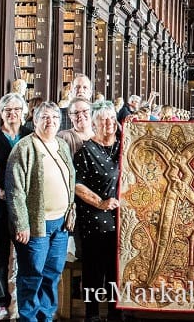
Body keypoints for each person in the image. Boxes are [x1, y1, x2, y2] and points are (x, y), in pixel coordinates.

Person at [6, 101, 75, 322]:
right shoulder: (24, 148)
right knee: (31, 275)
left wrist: (70, 211)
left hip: (61, 224)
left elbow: (70, 180)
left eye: (55, 118)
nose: (50, 122)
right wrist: (21, 224)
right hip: (36, 224)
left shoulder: (62, 145)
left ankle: (46, 316)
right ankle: (28, 317)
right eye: (45, 117)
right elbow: (15, 190)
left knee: (52, 274)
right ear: (35, 121)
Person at [73, 101, 123, 322]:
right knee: (94, 272)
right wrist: (100, 202)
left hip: (121, 219)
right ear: (93, 123)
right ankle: (91, 315)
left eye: (111, 118)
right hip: (95, 219)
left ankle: (114, 313)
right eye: (103, 119)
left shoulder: (123, 146)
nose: (108, 123)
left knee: (115, 271)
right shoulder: (85, 150)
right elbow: (77, 184)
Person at [0, 93, 33, 321]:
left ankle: (23, 299)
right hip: (1, 204)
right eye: (7, 110)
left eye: (16, 109)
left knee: (26, 253)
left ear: (24, 112)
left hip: (24, 204)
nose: (12, 114)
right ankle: (0, 302)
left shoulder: (30, 134)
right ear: (1, 113)